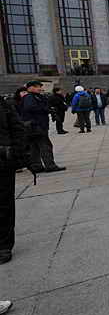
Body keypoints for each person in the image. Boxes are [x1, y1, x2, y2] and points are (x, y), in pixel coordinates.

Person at [0, 94, 27, 264]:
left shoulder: (4, 105)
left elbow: (18, 129)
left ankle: (3, 244)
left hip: (2, 161)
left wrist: (15, 153)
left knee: (3, 203)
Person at [19, 81, 65, 174]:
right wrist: (45, 109)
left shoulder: (33, 97)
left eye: (40, 86)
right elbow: (30, 108)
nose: (39, 88)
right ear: (30, 88)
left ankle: (36, 166)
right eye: (37, 87)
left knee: (34, 147)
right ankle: (50, 165)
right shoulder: (29, 97)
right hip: (36, 125)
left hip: (33, 126)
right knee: (45, 145)